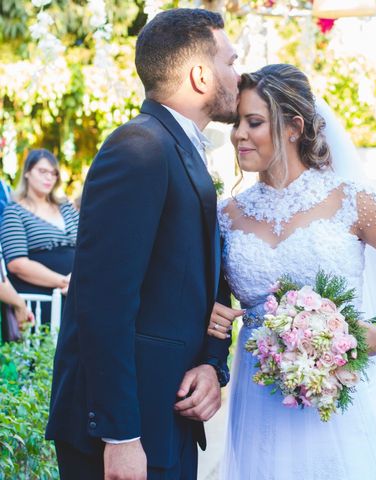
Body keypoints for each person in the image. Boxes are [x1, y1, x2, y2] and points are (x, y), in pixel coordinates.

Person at [210, 64, 376, 479]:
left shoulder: (350, 200)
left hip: (342, 390)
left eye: (253, 122)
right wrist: (210, 313)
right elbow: (210, 296)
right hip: (261, 398)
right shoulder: (226, 215)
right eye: (236, 123)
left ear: (293, 127)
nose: (238, 135)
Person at [46, 8, 240, 480]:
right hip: (124, 433)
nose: (240, 74)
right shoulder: (137, 148)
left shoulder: (179, 149)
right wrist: (121, 437)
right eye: (231, 62)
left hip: (166, 413)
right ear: (200, 76)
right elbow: (101, 300)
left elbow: (203, 283)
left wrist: (214, 365)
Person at [0, 149, 78, 324]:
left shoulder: (66, 207)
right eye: (42, 171)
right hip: (44, 299)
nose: (49, 177)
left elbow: (89, 245)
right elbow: (17, 264)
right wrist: (64, 281)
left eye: (53, 173)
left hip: (77, 295)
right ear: (27, 172)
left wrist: (78, 278)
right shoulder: (15, 212)